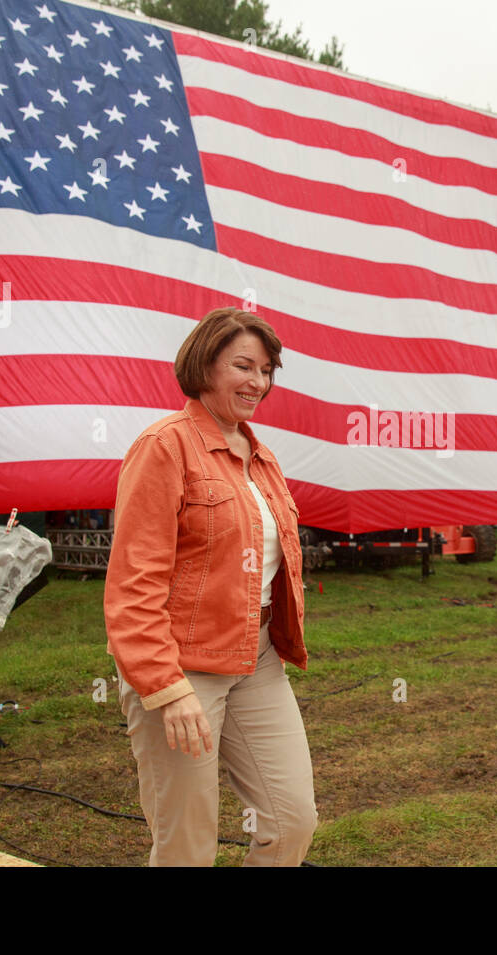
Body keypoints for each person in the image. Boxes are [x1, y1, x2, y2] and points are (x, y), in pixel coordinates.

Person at [104, 307, 316, 866]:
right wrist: (166, 686)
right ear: (204, 366)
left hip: (258, 658)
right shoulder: (164, 446)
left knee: (293, 820)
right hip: (180, 667)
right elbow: (133, 582)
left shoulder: (260, 457)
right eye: (243, 366)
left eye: (267, 370)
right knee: (187, 845)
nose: (258, 382)